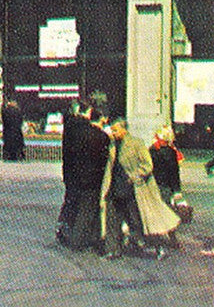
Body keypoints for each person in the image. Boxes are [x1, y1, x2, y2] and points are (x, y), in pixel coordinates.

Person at [103, 118, 180, 257]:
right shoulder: (113, 145)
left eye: (115, 130)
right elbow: (110, 168)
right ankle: (113, 250)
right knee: (113, 219)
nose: (113, 133)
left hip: (134, 188)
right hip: (116, 187)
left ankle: (158, 246)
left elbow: (147, 165)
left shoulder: (137, 143)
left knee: (139, 220)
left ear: (124, 129)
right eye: (112, 130)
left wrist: (134, 176)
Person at [59, 103, 112, 250]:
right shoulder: (100, 136)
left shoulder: (74, 129)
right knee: (87, 209)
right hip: (92, 178)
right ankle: (78, 240)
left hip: (74, 174)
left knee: (73, 203)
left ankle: (66, 230)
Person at [150, 126, 184, 205]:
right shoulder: (171, 152)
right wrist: (177, 190)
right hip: (165, 186)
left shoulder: (152, 150)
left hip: (153, 185)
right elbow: (174, 173)